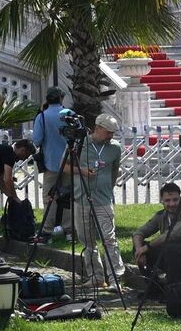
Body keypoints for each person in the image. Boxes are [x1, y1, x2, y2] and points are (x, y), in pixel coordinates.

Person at [68, 113, 125, 289]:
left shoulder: (115, 148)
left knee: (109, 238)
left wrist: (109, 186)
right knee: (87, 240)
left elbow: (115, 170)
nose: (111, 136)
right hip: (81, 198)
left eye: (113, 133)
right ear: (98, 128)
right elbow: (63, 167)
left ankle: (116, 278)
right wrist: (82, 171)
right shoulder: (79, 143)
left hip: (103, 199)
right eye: (108, 132)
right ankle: (95, 276)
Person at [131, 182, 181, 289]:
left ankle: (174, 291)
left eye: (175, 200)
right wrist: (139, 250)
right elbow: (139, 233)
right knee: (140, 248)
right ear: (162, 201)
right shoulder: (161, 215)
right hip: (170, 257)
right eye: (167, 200)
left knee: (171, 248)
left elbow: (171, 235)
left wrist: (147, 247)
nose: (171, 204)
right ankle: (155, 289)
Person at [30, 87, 73, 241]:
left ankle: (46, 230)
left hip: (51, 163)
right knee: (68, 197)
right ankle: (70, 230)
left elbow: (36, 140)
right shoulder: (70, 114)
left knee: (49, 197)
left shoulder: (42, 117)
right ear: (61, 98)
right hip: (69, 162)